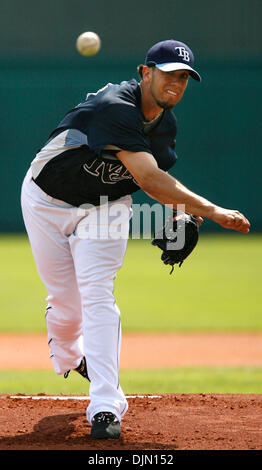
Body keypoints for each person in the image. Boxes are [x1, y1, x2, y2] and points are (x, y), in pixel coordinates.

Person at [21, 39, 250, 439]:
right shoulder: (116, 107)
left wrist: (185, 214)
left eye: (183, 77)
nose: (176, 83)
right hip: (46, 198)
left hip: (106, 206)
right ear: (145, 73)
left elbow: (161, 184)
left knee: (97, 293)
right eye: (167, 73)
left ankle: (105, 407)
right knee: (66, 304)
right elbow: (149, 178)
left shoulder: (166, 126)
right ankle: (71, 356)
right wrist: (211, 211)